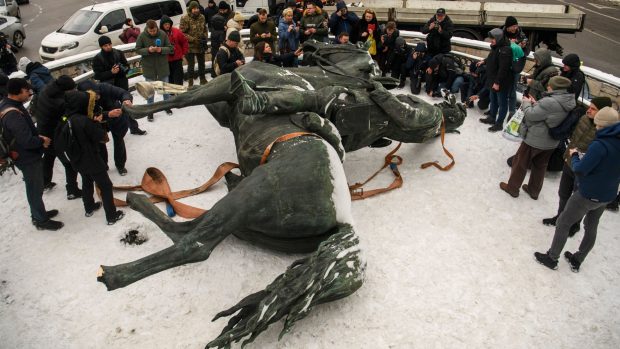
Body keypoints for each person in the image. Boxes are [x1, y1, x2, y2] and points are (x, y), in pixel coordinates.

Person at [534, 107, 620, 272]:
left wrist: (574, 155)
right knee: (591, 226)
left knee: (563, 222)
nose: (596, 127)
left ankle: (552, 258)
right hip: (607, 194)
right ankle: (578, 259)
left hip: (588, 194)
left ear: (603, 125)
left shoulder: (600, 145)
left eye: (598, 125)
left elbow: (580, 169)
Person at [542, 96, 613, 233]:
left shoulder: (604, 131)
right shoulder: (584, 119)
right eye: (590, 107)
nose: (589, 110)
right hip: (569, 162)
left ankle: (574, 224)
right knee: (563, 193)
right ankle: (560, 216)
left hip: (584, 171)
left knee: (577, 201)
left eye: (593, 109)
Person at [0, 78, 63, 230]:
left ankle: (39, 214)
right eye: (26, 90)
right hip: (26, 157)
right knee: (34, 188)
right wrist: (42, 141)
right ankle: (40, 220)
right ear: (18, 92)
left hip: (23, 155)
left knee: (35, 186)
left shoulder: (8, 105)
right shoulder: (13, 114)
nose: (29, 93)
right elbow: (26, 140)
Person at [500, 76, 576, 199]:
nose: (548, 86)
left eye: (550, 85)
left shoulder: (549, 102)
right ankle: (533, 191)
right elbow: (549, 114)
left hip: (535, 139)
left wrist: (526, 103)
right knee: (540, 166)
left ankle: (512, 188)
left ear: (556, 87)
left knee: (520, 163)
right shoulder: (568, 101)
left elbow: (530, 115)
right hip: (551, 142)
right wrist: (536, 104)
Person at [64, 90, 125, 225]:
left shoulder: (67, 119)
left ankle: (89, 207)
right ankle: (111, 216)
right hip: (92, 159)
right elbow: (104, 138)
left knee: (86, 181)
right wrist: (97, 124)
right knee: (106, 185)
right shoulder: (85, 121)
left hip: (77, 160)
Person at [33, 75, 82, 198]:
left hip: (43, 131)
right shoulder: (58, 102)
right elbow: (66, 116)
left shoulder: (46, 90)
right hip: (54, 135)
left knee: (49, 156)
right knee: (69, 162)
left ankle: (44, 181)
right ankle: (72, 190)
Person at [92, 35, 146, 136]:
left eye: (109, 44)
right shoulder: (97, 59)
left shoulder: (118, 53)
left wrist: (121, 69)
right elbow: (97, 75)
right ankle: (117, 130)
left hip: (121, 84)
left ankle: (134, 127)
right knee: (112, 109)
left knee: (128, 106)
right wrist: (111, 72)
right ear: (101, 47)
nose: (108, 47)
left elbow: (126, 66)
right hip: (108, 88)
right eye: (105, 45)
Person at [77, 80, 133, 176]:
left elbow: (123, 92)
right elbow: (84, 116)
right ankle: (103, 165)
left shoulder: (105, 88)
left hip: (116, 118)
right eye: (94, 97)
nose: (97, 97)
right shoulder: (80, 100)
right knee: (100, 143)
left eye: (97, 94)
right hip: (97, 122)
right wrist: (107, 114)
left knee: (119, 140)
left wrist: (126, 99)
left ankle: (120, 165)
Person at [135, 19, 174, 121]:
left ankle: (167, 106)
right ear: (147, 29)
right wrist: (148, 50)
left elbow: (170, 48)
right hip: (149, 68)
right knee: (149, 90)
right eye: (151, 31)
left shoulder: (162, 34)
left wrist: (161, 49)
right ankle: (150, 111)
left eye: (154, 30)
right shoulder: (142, 36)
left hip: (162, 66)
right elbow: (137, 49)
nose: (153, 32)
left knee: (165, 89)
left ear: (157, 28)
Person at [479, 28, 513, 132]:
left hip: (501, 82)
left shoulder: (505, 50)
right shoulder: (496, 47)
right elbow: (492, 58)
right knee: (493, 100)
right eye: (490, 38)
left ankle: (499, 124)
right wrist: (484, 62)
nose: (491, 40)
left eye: (493, 38)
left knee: (502, 103)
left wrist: (497, 82)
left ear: (498, 38)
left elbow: (504, 68)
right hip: (492, 79)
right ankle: (492, 118)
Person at [180, 2, 208, 86]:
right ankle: (190, 83)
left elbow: (205, 29)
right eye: (194, 8)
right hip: (189, 46)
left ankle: (202, 79)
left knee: (202, 63)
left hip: (200, 44)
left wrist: (205, 37)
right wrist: (192, 39)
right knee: (191, 65)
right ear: (191, 9)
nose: (196, 10)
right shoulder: (185, 18)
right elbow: (182, 33)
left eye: (197, 8)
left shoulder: (202, 17)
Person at [161, 15, 189, 88]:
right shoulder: (160, 34)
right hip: (166, 60)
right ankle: (172, 94)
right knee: (170, 78)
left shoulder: (176, 31)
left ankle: (180, 93)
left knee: (178, 77)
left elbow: (184, 42)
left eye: (168, 24)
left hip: (177, 59)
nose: (167, 26)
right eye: (165, 24)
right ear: (162, 25)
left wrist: (184, 53)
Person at [209, 2, 231, 76]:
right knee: (216, 58)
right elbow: (213, 28)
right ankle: (215, 74)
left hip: (225, 39)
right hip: (219, 41)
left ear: (227, 9)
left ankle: (219, 73)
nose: (222, 12)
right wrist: (222, 28)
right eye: (220, 10)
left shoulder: (230, 15)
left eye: (223, 10)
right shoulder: (216, 17)